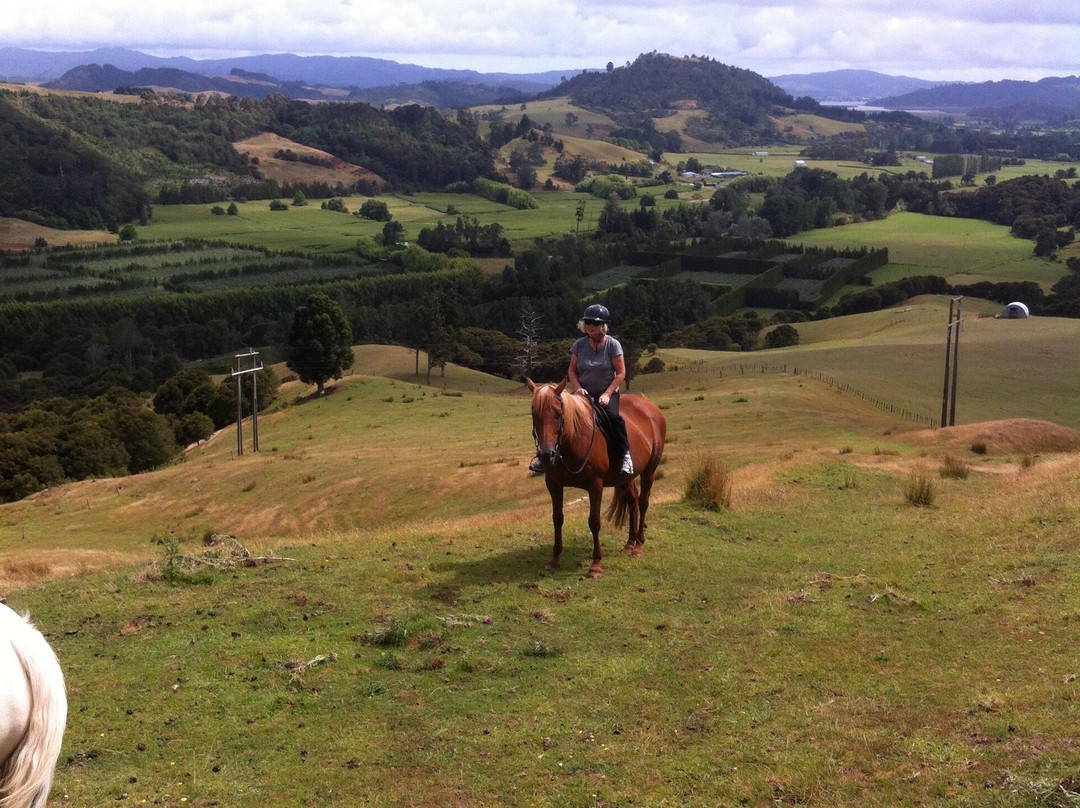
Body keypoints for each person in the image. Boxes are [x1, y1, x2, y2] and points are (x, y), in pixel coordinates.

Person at [529, 304, 634, 476]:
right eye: (588, 322)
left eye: (595, 323)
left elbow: (621, 373)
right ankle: (546, 455)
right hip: (583, 394)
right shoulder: (579, 345)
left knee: (614, 418)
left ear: (604, 325)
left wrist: (607, 394)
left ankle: (625, 456)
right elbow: (572, 371)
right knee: (560, 418)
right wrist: (578, 388)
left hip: (607, 393)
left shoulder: (613, 345)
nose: (591, 326)